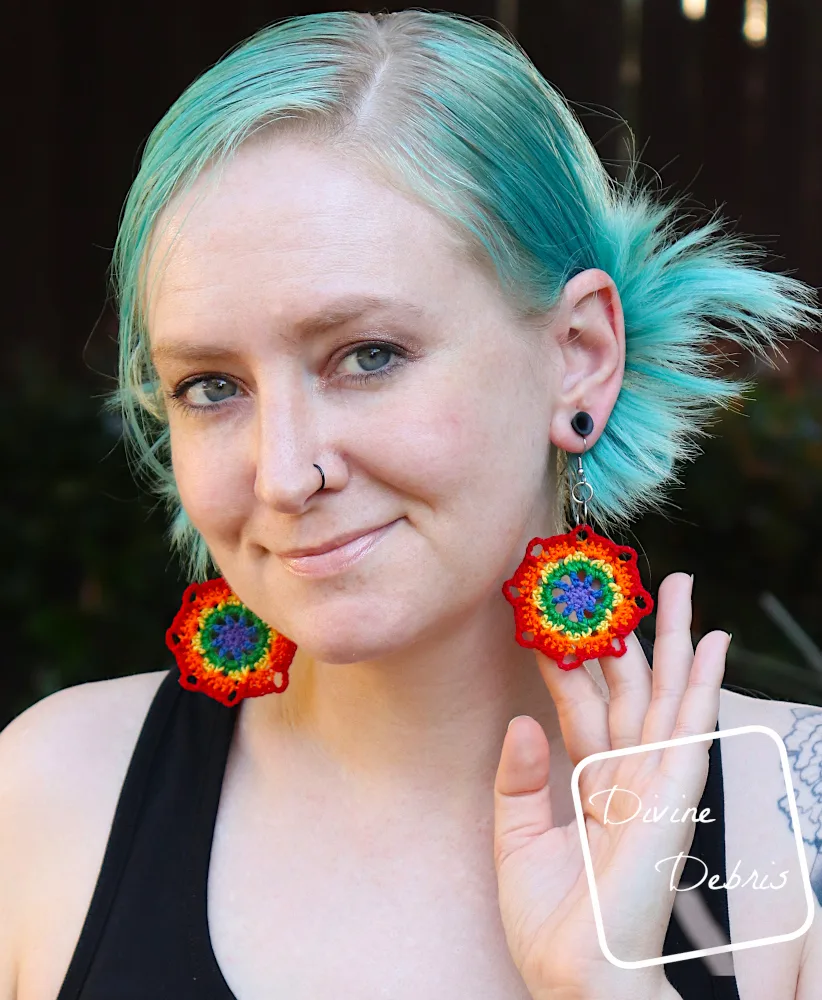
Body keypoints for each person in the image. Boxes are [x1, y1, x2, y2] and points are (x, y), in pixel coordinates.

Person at [1, 10, 821, 1000]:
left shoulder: (798, 816)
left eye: (368, 356)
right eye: (212, 385)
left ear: (579, 357)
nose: (283, 473)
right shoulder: (49, 798)